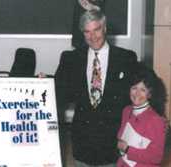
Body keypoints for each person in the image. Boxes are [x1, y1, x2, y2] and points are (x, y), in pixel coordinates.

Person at [55, 9, 138, 167]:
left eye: (96, 29)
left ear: (105, 28)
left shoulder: (126, 58)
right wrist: (42, 82)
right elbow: (59, 92)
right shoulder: (71, 58)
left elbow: (140, 94)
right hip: (83, 142)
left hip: (113, 142)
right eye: (87, 32)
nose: (93, 36)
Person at [117, 63, 167, 167]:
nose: (137, 93)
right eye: (134, 88)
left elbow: (156, 157)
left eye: (143, 90)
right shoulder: (126, 111)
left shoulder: (156, 120)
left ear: (150, 94)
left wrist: (127, 149)